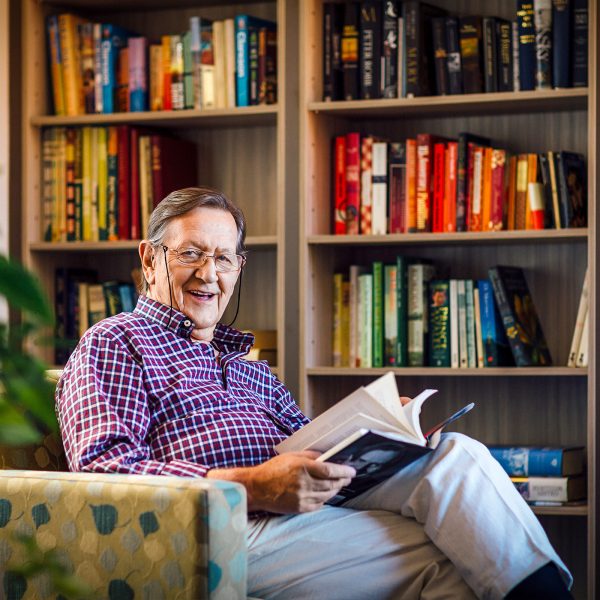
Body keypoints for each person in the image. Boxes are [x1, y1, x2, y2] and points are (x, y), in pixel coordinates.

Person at [57, 187, 573, 600]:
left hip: (300, 512)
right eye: (190, 254)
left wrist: (380, 434)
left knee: (459, 455)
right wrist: (250, 485)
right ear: (149, 259)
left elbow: (306, 448)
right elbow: (104, 474)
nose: (209, 274)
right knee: (451, 555)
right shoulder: (115, 341)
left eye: (224, 258)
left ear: (240, 266)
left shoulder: (250, 368)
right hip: (217, 529)